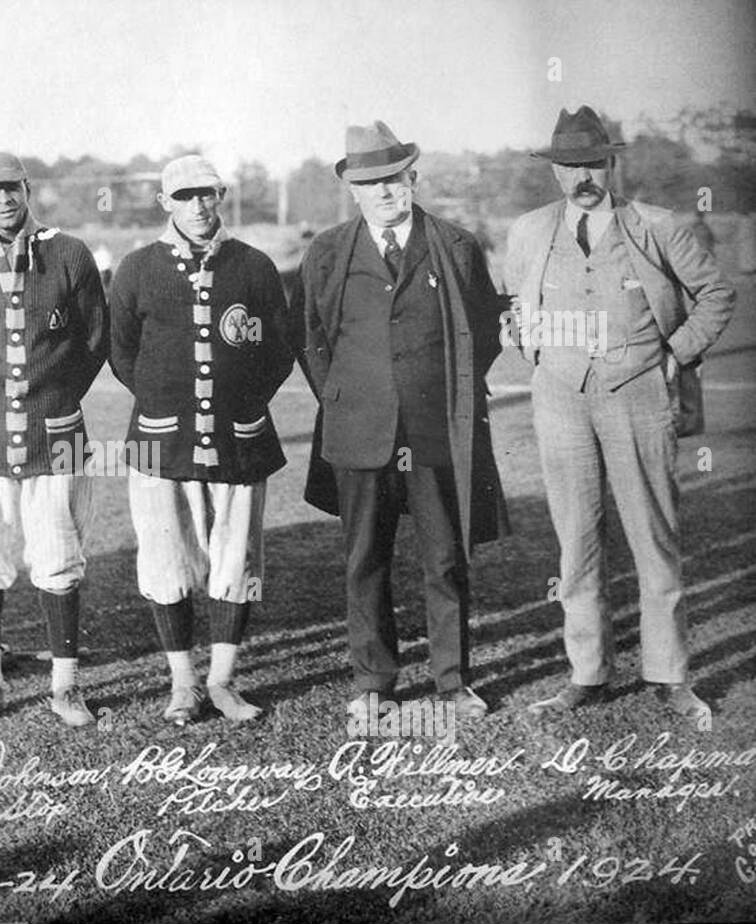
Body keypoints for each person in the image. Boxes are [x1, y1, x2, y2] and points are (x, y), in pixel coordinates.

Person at [504, 106, 735, 721]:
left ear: (611, 164)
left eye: (592, 164)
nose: (581, 176)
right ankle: (588, 672)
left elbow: (716, 293)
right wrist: (538, 351)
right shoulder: (529, 231)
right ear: (554, 170)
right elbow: (514, 301)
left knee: (653, 538)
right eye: (569, 165)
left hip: (638, 393)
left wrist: (675, 354)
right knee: (575, 543)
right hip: (560, 400)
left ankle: (670, 674)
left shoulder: (657, 226)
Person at [297, 122, 508, 724]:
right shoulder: (329, 251)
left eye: (394, 178)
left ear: (412, 179)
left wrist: (439, 392)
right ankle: (375, 682)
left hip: (435, 429)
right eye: (371, 183)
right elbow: (310, 338)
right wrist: (343, 396)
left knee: (445, 557)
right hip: (359, 432)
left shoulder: (457, 245)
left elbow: (483, 333)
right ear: (353, 191)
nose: (386, 191)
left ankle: (453, 681)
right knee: (365, 559)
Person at [110, 155, 293, 724]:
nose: (198, 206)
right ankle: (182, 683)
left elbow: (277, 350)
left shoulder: (254, 266)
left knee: (237, 560)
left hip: (239, 437)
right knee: (166, 560)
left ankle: (222, 680)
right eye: (184, 196)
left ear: (221, 196)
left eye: (207, 194)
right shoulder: (137, 267)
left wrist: (239, 399)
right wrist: (168, 398)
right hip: (161, 441)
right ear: (165, 202)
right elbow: (122, 353)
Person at [0, 152, 108, 727]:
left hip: (52, 435)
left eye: (12, 188)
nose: (4, 200)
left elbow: (94, 341)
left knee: (57, 559)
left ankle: (65, 686)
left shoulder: (69, 253)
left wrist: (51, 397)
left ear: (28, 189)